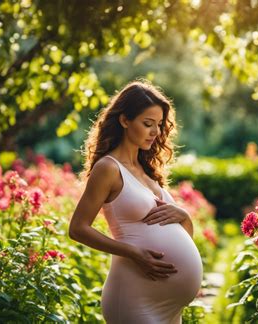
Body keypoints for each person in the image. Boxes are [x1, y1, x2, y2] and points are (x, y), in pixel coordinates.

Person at [68, 79, 203, 323]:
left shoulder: (147, 171)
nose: (156, 132)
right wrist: (133, 253)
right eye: (148, 124)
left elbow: (182, 235)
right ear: (125, 120)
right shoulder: (108, 168)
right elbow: (77, 229)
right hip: (134, 297)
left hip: (169, 308)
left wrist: (184, 216)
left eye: (160, 125)